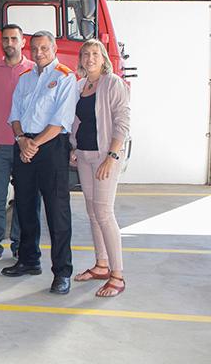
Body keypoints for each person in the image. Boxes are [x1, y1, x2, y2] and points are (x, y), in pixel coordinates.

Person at [2, 30, 78, 295]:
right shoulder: (24, 78)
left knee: (57, 212)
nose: (38, 53)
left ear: (54, 48)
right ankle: (28, 260)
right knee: (25, 207)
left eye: (44, 48)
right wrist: (22, 139)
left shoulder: (66, 77)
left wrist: (33, 144)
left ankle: (62, 273)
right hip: (24, 146)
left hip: (51, 148)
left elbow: (60, 121)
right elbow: (14, 115)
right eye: (34, 49)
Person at [70, 39, 130, 297]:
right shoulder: (80, 85)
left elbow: (122, 121)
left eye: (95, 53)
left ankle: (117, 276)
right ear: (81, 59)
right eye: (86, 54)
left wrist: (112, 157)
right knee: (93, 213)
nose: (90, 57)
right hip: (83, 156)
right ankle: (101, 265)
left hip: (106, 156)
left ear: (103, 58)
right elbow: (77, 121)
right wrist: (74, 146)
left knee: (104, 213)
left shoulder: (112, 83)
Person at [0, 24, 37, 266]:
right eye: (6, 39)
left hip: (24, 146)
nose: (9, 42)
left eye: (14, 38)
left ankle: (19, 245)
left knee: (24, 198)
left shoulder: (34, 71)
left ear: (23, 42)